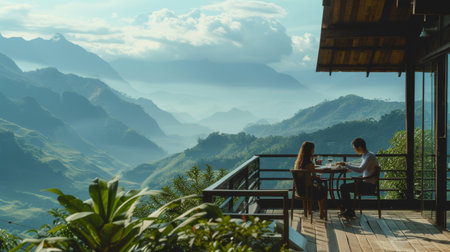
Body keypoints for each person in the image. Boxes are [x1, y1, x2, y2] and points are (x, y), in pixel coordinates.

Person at [337, 137, 379, 219]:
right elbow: (360, 166)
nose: (355, 150)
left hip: (369, 186)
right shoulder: (367, 155)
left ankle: (349, 211)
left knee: (343, 187)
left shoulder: (369, 156)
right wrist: (347, 165)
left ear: (359, 147)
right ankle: (348, 210)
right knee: (344, 187)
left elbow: (360, 169)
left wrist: (346, 165)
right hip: (366, 183)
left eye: (355, 148)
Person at [294, 141, 327, 219]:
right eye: (313, 149)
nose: (314, 150)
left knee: (317, 187)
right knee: (322, 189)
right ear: (310, 151)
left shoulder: (298, 163)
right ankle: (321, 212)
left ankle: (310, 210)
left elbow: (303, 177)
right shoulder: (310, 164)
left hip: (299, 190)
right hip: (308, 191)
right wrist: (319, 178)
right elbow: (315, 177)